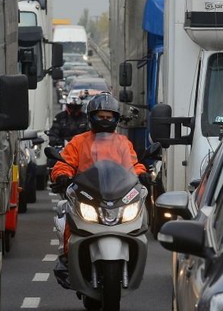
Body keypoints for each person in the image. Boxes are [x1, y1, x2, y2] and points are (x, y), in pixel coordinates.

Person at [49, 93, 149, 288]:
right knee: (70, 222)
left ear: (116, 119)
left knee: (140, 222)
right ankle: (68, 260)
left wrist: (142, 173)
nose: (104, 121)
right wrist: (61, 174)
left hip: (117, 195)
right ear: (91, 117)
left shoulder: (123, 143)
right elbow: (65, 163)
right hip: (87, 194)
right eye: (100, 117)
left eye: (108, 117)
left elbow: (133, 164)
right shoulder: (79, 142)